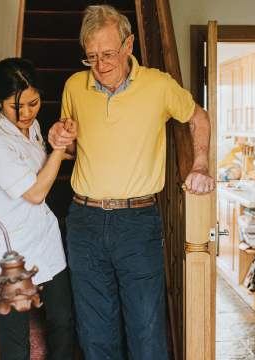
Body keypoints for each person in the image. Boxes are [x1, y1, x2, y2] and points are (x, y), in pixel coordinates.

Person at [47, 5, 215, 360]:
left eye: (108, 54)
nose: (100, 64)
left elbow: (198, 117)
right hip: (84, 220)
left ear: (129, 44)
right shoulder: (74, 86)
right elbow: (74, 146)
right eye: (91, 57)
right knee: (94, 334)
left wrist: (200, 163)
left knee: (147, 332)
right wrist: (62, 137)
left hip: (137, 222)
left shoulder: (158, 84)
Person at [0, 58, 76, 360]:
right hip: (10, 251)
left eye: (33, 104)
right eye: (14, 106)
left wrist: (64, 138)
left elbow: (46, 163)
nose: (25, 113)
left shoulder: (31, 126)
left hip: (44, 238)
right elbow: (35, 192)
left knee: (64, 320)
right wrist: (59, 148)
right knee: (15, 340)